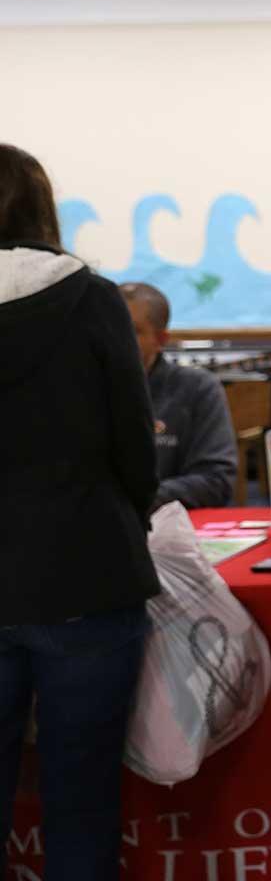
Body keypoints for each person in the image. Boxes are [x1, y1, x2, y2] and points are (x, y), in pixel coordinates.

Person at [0, 145, 160, 878]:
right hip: (86, 573)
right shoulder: (91, 297)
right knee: (83, 798)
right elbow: (134, 438)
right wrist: (130, 512)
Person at [117, 282, 237, 511]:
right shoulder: (81, 390)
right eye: (109, 327)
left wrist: (137, 499)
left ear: (160, 340)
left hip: (174, 531)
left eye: (132, 330)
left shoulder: (198, 389)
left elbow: (216, 480)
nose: (116, 338)